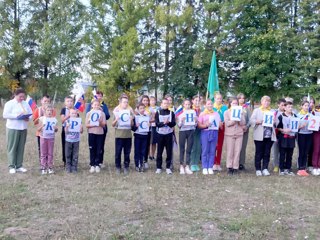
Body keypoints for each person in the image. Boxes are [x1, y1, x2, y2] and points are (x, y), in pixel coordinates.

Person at [3, 88, 32, 174]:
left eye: (23, 96)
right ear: (15, 95)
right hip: (12, 128)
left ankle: (19, 165)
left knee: (20, 147)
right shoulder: (9, 103)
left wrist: (28, 118)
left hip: (23, 128)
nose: (22, 98)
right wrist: (17, 116)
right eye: (20, 96)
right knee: (12, 147)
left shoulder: (25, 104)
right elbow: (5, 114)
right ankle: (12, 166)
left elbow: (30, 114)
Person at [250, 96, 277, 176]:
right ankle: (258, 169)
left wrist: (274, 121)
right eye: (265, 101)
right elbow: (251, 120)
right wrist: (257, 121)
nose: (267, 103)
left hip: (269, 136)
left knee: (267, 152)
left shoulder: (272, 111)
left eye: (268, 101)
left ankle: (265, 168)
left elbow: (277, 122)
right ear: (261, 102)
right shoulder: (257, 110)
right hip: (259, 135)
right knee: (259, 152)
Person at [85, 90, 110, 168]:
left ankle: (99, 162)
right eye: (97, 95)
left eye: (100, 96)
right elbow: (87, 115)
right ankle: (92, 163)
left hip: (101, 129)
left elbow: (107, 116)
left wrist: (101, 113)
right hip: (92, 130)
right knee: (93, 146)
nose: (99, 97)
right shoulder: (90, 105)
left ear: (102, 97)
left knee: (100, 146)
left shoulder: (104, 105)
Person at [198, 99, 221, 175]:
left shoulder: (216, 113)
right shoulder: (202, 114)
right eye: (208, 104)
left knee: (212, 150)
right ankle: (205, 167)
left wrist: (220, 124)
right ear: (205, 105)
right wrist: (205, 125)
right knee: (205, 150)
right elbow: (199, 125)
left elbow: (219, 123)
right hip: (205, 133)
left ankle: (210, 167)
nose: (210, 105)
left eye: (211, 104)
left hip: (214, 133)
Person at [224, 97, 246, 175]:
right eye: (233, 103)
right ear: (230, 104)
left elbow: (243, 123)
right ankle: (229, 167)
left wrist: (239, 118)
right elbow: (227, 123)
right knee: (230, 151)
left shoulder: (241, 112)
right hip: (229, 134)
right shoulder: (226, 112)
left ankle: (235, 167)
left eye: (236, 103)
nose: (235, 104)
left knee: (237, 151)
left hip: (239, 134)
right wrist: (234, 120)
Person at [112, 96, 134, 174]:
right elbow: (113, 124)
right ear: (120, 103)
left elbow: (132, 125)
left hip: (128, 136)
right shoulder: (117, 111)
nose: (126, 103)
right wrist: (116, 119)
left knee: (127, 152)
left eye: (127, 102)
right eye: (124, 102)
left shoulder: (130, 112)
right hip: (119, 135)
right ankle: (118, 166)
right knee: (118, 152)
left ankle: (126, 166)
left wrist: (131, 120)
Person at [155, 98, 176, 174]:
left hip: (169, 135)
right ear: (161, 104)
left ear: (169, 104)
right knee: (159, 151)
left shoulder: (171, 112)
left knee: (169, 151)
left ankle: (168, 167)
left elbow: (174, 124)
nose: (166, 104)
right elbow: (157, 124)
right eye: (164, 103)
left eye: (167, 103)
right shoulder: (158, 112)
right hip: (160, 135)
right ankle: (158, 167)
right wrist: (163, 123)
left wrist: (168, 122)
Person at [32, 95, 56, 163]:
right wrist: (40, 117)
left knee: (49, 149)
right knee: (41, 148)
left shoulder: (52, 110)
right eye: (45, 101)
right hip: (40, 133)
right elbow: (34, 122)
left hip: (49, 133)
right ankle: (42, 163)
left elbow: (53, 120)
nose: (46, 102)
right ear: (41, 101)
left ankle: (49, 162)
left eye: (48, 101)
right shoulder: (37, 110)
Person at [276, 101, 296, 176]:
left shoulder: (295, 116)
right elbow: (278, 127)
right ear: (284, 108)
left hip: (291, 137)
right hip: (283, 137)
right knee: (282, 153)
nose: (290, 108)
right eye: (288, 107)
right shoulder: (281, 116)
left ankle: (288, 168)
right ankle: (281, 168)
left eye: (291, 107)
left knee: (290, 154)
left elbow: (296, 126)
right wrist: (283, 130)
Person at [86, 99, 106, 173]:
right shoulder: (89, 113)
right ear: (92, 105)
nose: (96, 106)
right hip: (91, 133)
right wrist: (93, 124)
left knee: (99, 149)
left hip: (100, 133)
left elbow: (104, 125)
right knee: (92, 149)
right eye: (95, 105)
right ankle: (92, 164)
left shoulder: (102, 113)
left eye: (98, 105)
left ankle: (97, 164)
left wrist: (100, 122)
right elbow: (86, 125)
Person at [37, 104, 58, 174]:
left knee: (50, 153)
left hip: (51, 138)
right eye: (48, 110)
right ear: (45, 111)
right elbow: (38, 129)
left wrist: (56, 128)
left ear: (52, 112)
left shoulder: (54, 119)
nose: (49, 112)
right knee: (43, 153)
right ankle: (43, 167)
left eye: (51, 111)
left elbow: (56, 130)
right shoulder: (42, 119)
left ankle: (50, 166)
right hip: (43, 137)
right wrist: (42, 125)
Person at [177, 98, 196, 174]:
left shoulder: (193, 112)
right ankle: (181, 165)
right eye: (186, 104)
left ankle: (187, 165)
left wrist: (196, 121)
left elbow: (195, 124)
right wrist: (181, 120)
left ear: (190, 105)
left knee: (189, 149)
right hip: (183, 132)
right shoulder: (181, 113)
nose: (187, 106)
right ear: (183, 105)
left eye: (189, 104)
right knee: (182, 149)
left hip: (191, 131)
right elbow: (178, 125)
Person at [132, 103, 150, 172]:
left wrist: (149, 125)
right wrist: (136, 126)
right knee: (137, 151)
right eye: (140, 108)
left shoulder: (147, 117)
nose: (142, 110)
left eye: (143, 108)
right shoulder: (136, 117)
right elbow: (132, 128)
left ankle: (141, 164)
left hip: (145, 136)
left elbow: (148, 128)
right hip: (138, 136)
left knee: (143, 151)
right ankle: (137, 165)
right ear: (138, 109)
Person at [212, 92, 228, 171]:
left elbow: (227, 116)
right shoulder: (212, 107)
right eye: (217, 98)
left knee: (220, 146)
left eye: (220, 98)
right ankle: (214, 162)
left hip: (222, 127)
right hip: (214, 128)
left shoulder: (225, 108)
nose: (219, 100)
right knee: (213, 145)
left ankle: (218, 163)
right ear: (214, 99)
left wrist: (222, 123)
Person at [65, 108, 83, 173]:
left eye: (75, 113)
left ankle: (74, 167)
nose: (74, 114)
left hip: (76, 140)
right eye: (72, 113)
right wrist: (67, 127)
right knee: (68, 154)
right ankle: (68, 167)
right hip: (68, 140)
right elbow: (66, 132)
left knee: (75, 154)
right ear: (69, 114)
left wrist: (81, 128)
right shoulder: (67, 121)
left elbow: (81, 131)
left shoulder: (79, 121)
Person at [297, 101, 312, 176]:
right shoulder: (298, 115)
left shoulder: (310, 115)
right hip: (301, 134)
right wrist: (301, 126)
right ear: (302, 106)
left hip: (309, 134)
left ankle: (304, 168)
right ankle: (300, 168)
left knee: (306, 152)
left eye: (308, 105)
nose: (306, 107)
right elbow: (295, 126)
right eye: (305, 105)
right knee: (301, 152)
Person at [138, 95, 153, 169]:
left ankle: (145, 160)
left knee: (146, 146)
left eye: (147, 100)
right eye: (144, 100)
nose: (146, 102)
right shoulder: (138, 109)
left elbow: (154, 119)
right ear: (141, 101)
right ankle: (139, 160)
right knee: (140, 146)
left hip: (148, 130)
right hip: (140, 131)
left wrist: (149, 121)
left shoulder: (150, 109)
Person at [272, 98, 286, 173]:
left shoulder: (287, 113)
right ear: (278, 105)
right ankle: (276, 165)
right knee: (275, 150)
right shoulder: (275, 112)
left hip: (284, 134)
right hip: (276, 134)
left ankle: (282, 164)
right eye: (282, 105)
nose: (283, 107)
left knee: (283, 150)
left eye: (285, 105)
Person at [237, 93, 251, 170]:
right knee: (236, 147)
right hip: (236, 130)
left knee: (242, 147)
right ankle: (235, 162)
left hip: (244, 130)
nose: (242, 99)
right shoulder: (234, 107)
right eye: (240, 98)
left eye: (243, 98)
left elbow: (250, 120)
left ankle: (241, 163)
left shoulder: (247, 108)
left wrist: (246, 126)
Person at [60, 96, 74, 167]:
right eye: (68, 101)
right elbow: (62, 120)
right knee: (65, 145)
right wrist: (68, 115)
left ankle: (72, 160)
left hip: (73, 131)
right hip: (65, 130)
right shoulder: (63, 110)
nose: (69, 103)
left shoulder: (75, 110)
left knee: (73, 146)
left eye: (71, 101)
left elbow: (78, 119)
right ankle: (65, 161)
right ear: (65, 103)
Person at [190, 95, 202, 172]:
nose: (197, 102)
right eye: (196, 100)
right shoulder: (190, 110)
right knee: (193, 147)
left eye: (199, 100)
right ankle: (192, 163)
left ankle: (196, 162)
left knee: (199, 147)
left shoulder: (202, 110)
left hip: (200, 129)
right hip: (192, 130)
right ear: (192, 101)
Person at [149, 96, 159, 161]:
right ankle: (148, 155)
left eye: (154, 100)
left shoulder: (158, 108)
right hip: (149, 126)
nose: (152, 102)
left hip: (156, 126)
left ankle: (153, 155)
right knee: (149, 142)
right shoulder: (147, 108)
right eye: (151, 100)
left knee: (154, 142)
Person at [311, 105, 320, 175]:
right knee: (316, 149)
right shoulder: (316, 110)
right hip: (317, 132)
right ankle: (315, 166)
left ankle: (319, 166)